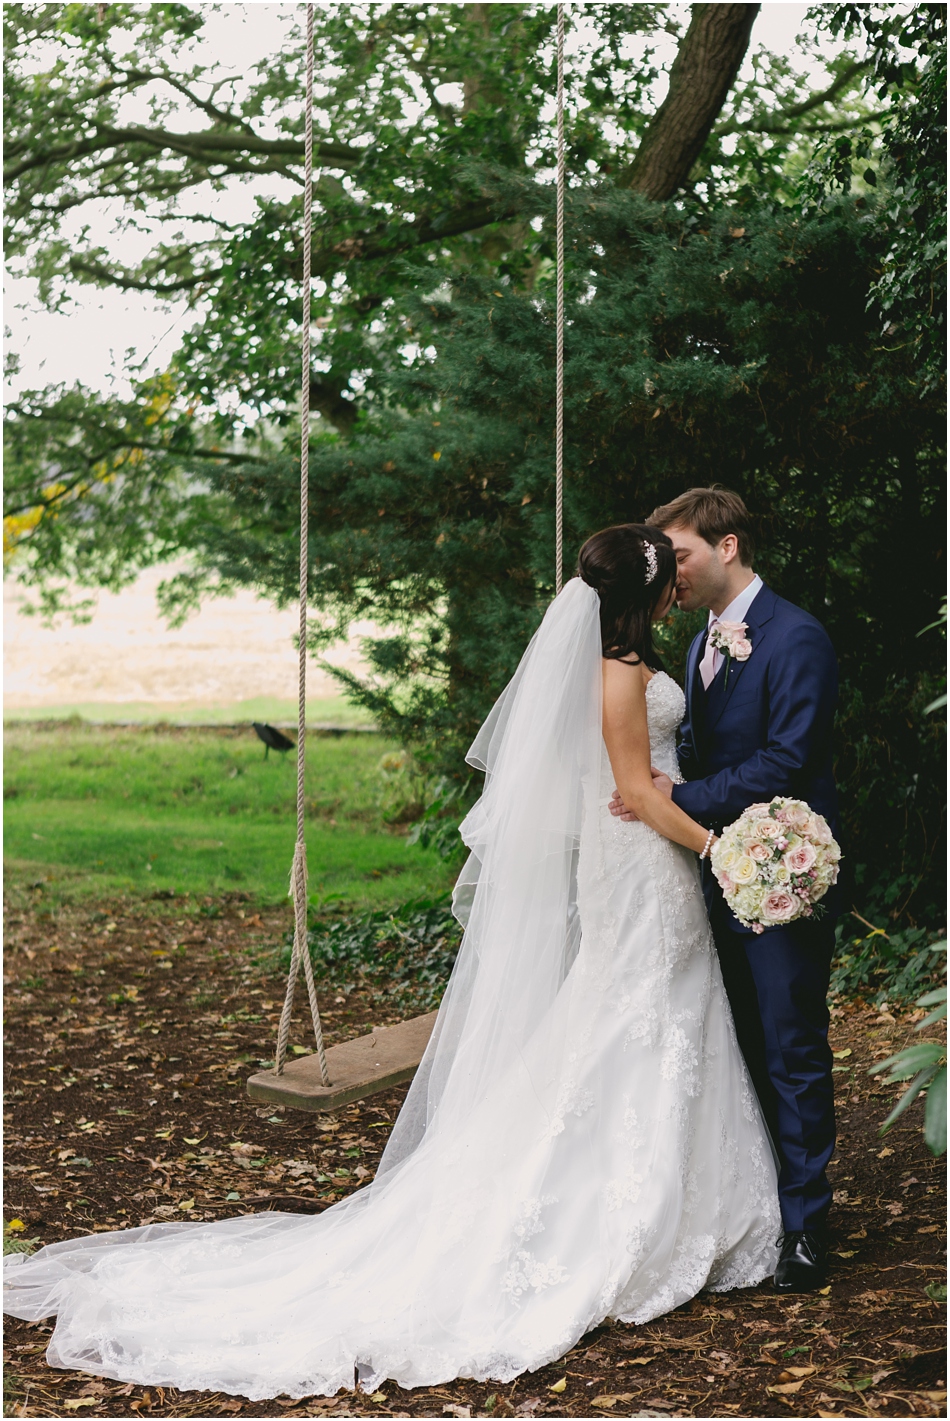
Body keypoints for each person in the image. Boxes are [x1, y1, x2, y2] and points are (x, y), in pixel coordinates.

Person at [4, 525, 780, 1402]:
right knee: (632, 1009)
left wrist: (683, 816)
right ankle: (617, 1207)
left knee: (651, 1011)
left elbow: (632, 780)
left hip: (643, 853)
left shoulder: (628, 663)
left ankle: (678, 1199)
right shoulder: (618, 673)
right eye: (666, 576)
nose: (681, 586)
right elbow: (635, 787)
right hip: (643, 858)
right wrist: (722, 846)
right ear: (645, 594)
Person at [610, 488, 840, 1292]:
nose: (670, 572)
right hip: (709, 874)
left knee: (791, 1045)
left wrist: (674, 797)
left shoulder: (796, 636)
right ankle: (761, 1207)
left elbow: (786, 760)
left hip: (777, 874)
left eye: (680, 555)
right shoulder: (699, 642)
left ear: (728, 546)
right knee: (737, 1047)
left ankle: (808, 1226)